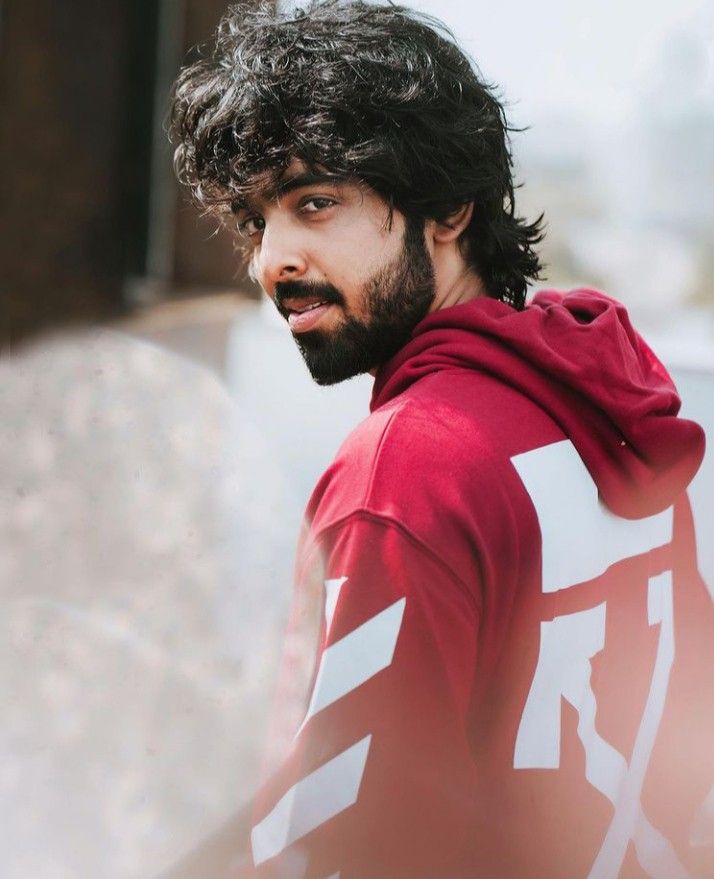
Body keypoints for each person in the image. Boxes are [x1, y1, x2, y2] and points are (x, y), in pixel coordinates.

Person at [169, 2, 713, 876]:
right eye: (255, 219)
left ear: (449, 209)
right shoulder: (609, 411)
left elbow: (346, 848)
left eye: (316, 203)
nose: (272, 259)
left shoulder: (405, 471)